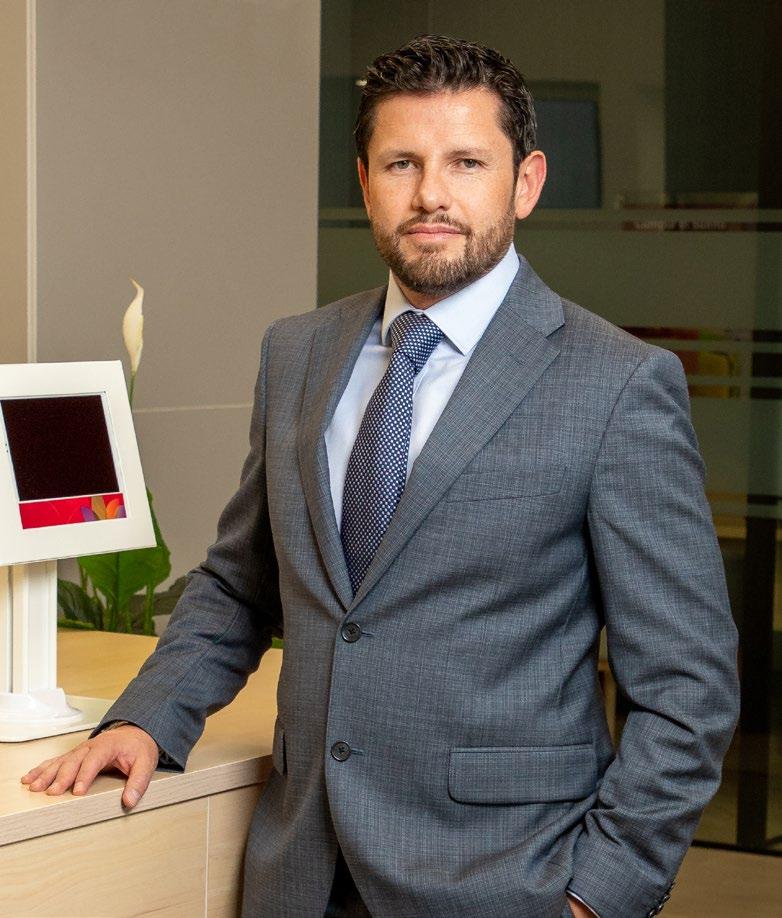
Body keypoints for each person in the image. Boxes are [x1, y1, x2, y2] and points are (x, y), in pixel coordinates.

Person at [22, 35, 739, 918]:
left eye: (467, 162)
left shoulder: (618, 384)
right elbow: (241, 582)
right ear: (365, 182)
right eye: (402, 163)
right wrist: (147, 716)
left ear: (526, 183)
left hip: (506, 883)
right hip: (300, 872)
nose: (431, 193)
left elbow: (687, 686)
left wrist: (600, 895)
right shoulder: (297, 352)